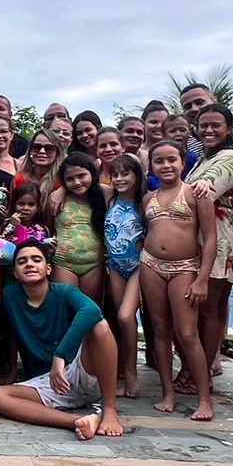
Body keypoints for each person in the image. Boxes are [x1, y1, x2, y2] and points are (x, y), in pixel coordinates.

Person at [0, 240, 122, 439]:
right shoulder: (10, 296)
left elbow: (92, 310)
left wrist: (60, 355)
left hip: (79, 370)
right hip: (46, 384)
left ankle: (109, 410)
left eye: (36, 260)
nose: (30, 264)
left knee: (100, 327)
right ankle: (78, 421)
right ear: (15, 273)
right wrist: (12, 372)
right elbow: (13, 334)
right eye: (22, 261)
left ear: (48, 268)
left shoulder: (64, 292)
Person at [140, 141, 218, 421]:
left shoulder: (197, 194)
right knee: (160, 330)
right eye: (159, 161)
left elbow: (210, 239)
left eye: (171, 159)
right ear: (151, 167)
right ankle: (167, 392)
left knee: (187, 333)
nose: (166, 165)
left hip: (185, 267)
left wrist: (202, 279)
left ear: (183, 162)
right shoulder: (148, 199)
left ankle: (205, 398)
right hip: (150, 264)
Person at [182, 104, 233, 393]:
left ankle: (201, 372)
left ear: (229, 128)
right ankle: (194, 369)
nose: (208, 130)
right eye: (203, 125)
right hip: (199, 237)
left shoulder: (230, 157)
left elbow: (201, 191)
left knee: (208, 310)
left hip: (217, 239)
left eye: (215, 125)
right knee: (204, 310)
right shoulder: (204, 159)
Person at [105, 153, 146, 398]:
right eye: (115, 174)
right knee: (122, 321)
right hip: (115, 265)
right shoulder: (109, 197)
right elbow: (82, 179)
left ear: (137, 175)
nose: (119, 179)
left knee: (124, 316)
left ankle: (132, 374)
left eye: (125, 173)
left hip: (138, 267)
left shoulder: (145, 201)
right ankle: (122, 369)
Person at [47, 152, 106, 304]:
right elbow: (46, 227)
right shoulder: (57, 200)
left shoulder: (103, 196)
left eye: (81, 176)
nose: (77, 182)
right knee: (66, 308)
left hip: (94, 264)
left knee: (89, 310)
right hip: (63, 263)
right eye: (70, 179)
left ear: (92, 174)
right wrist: (61, 190)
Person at [181, 81, 233, 152]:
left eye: (199, 102)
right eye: (187, 106)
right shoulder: (187, 140)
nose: (194, 109)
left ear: (214, 100)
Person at [12, 128, 64, 215]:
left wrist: (63, 190)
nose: (42, 152)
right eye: (36, 147)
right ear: (30, 151)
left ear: (57, 153)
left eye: (49, 148)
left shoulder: (62, 181)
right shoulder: (19, 179)